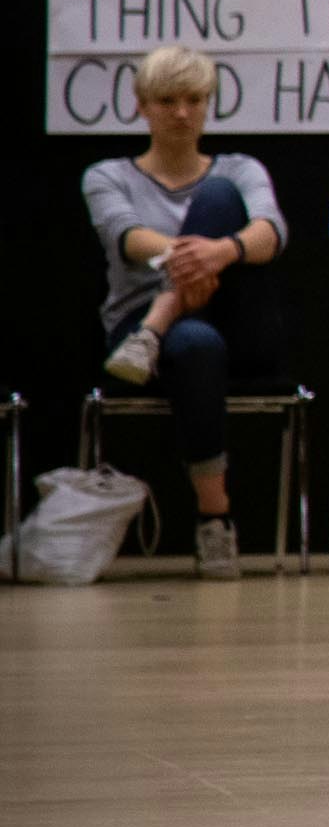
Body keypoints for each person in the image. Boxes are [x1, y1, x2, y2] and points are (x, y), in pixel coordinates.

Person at [80, 45, 291, 579]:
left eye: (194, 99)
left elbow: (271, 232)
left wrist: (221, 253)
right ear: (141, 106)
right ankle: (214, 520)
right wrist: (194, 259)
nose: (181, 113)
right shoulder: (108, 175)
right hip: (144, 329)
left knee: (219, 195)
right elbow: (126, 236)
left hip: (238, 321)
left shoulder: (241, 168)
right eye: (167, 100)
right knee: (196, 342)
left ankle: (159, 323)